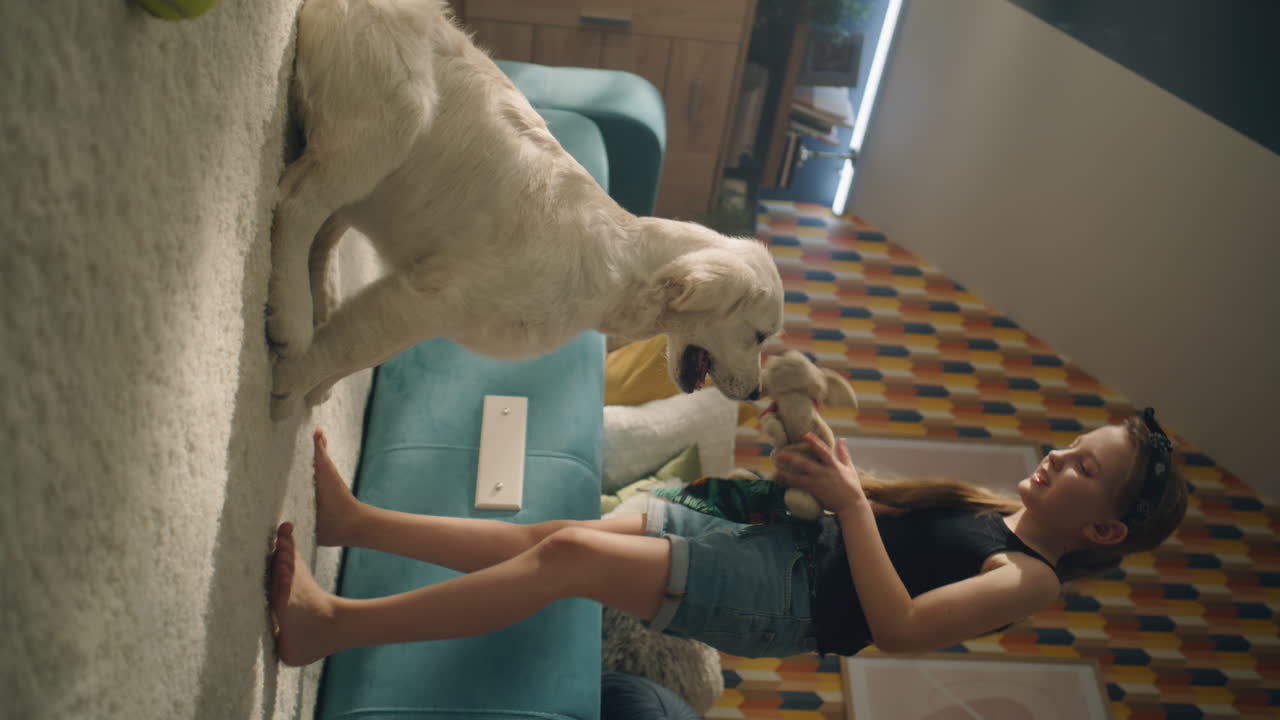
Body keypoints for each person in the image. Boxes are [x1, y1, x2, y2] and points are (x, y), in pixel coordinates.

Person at [269, 409, 1188, 665]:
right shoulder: (988, 503)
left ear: (1104, 527)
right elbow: (865, 513)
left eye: (1084, 467)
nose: (1058, 456)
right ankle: (358, 523)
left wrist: (851, 509)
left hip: (785, 601)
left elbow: (901, 628)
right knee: (563, 534)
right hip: (775, 544)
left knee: (567, 560)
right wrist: (824, 466)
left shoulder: (1032, 579)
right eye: (1071, 444)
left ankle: (331, 627)